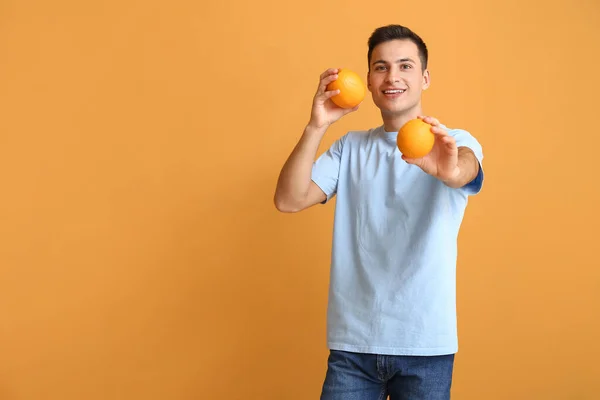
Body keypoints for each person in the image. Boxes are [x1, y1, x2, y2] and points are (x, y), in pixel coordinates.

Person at [273, 24, 484, 400]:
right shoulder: (350, 148)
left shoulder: (453, 143)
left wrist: (449, 169)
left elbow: (465, 167)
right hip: (353, 346)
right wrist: (316, 124)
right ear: (368, 81)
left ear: (424, 78)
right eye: (381, 67)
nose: (393, 77)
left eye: (405, 66)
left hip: (426, 347)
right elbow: (289, 199)